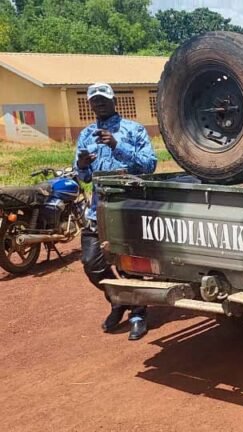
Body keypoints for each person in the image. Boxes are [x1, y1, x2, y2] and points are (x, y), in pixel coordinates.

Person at [75, 83, 157, 340]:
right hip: (97, 211)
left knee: (130, 265)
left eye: (103, 99)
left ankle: (137, 313)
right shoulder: (86, 134)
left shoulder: (134, 130)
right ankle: (117, 300)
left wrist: (116, 145)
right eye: (95, 101)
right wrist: (81, 165)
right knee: (92, 264)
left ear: (114, 101)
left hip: (126, 209)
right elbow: (84, 177)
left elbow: (149, 165)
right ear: (90, 104)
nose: (99, 104)